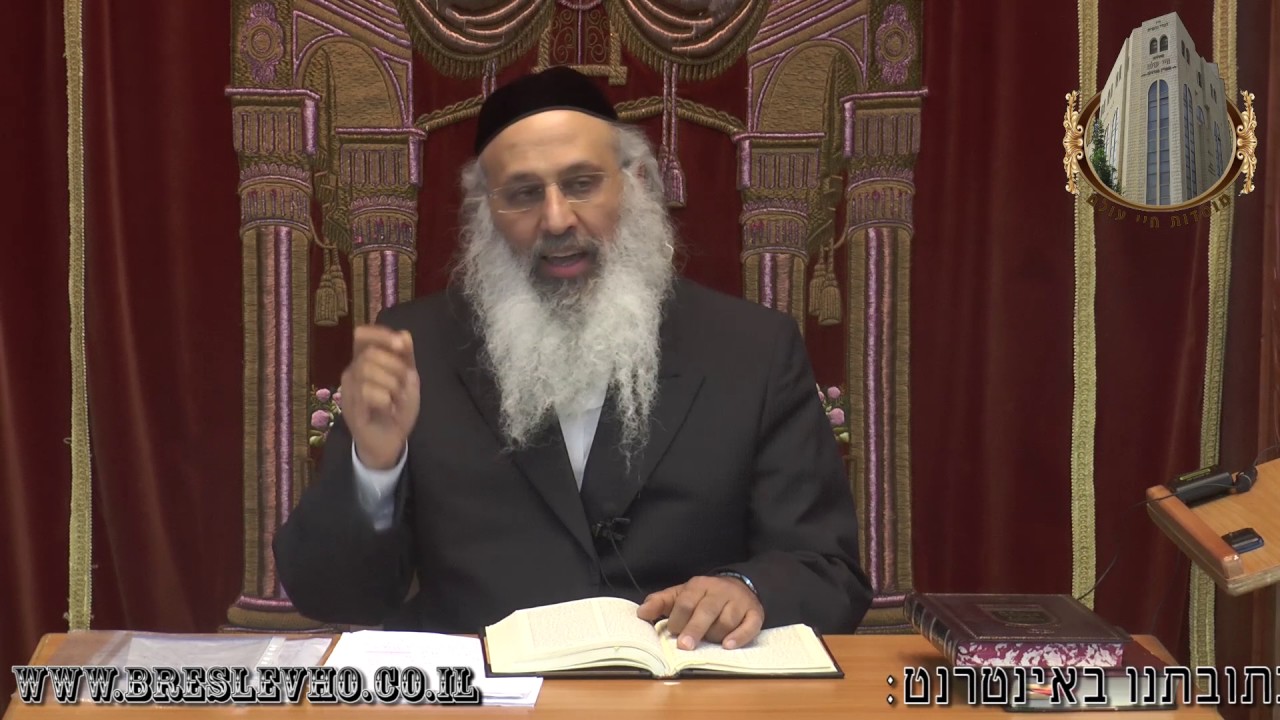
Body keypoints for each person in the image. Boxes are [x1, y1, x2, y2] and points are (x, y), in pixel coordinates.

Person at [274, 66, 873, 650]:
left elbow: (830, 573)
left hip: (686, 687)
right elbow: (334, 594)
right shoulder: (416, 348)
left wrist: (748, 589)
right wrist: (373, 468)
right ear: (486, 211)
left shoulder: (752, 349)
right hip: (487, 692)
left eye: (582, 184)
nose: (557, 219)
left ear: (636, 183)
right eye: (524, 194)